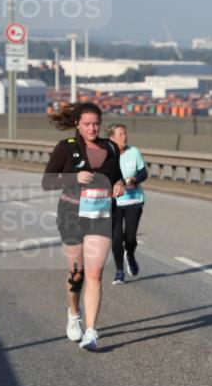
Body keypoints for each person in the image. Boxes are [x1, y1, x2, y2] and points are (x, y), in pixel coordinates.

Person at [42, 102, 125, 351]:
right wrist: (72, 178)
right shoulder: (65, 148)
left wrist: (119, 184)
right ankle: (73, 312)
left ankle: (91, 332)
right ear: (78, 123)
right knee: (77, 274)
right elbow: (47, 181)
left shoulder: (110, 147)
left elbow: (116, 176)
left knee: (95, 273)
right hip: (71, 214)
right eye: (87, 123)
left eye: (96, 124)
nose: (92, 128)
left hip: (99, 214)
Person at [108, 124, 148, 284]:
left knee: (130, 238)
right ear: (112, 138)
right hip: (114, 202)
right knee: (116, 238)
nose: (124, 137)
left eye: (125, 133)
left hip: (134, 200)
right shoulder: (107, 155)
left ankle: (129, 254)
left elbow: (143, 172)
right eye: (120, 134)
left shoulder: (134, 152)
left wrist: (135, 180)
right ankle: (119, 271)